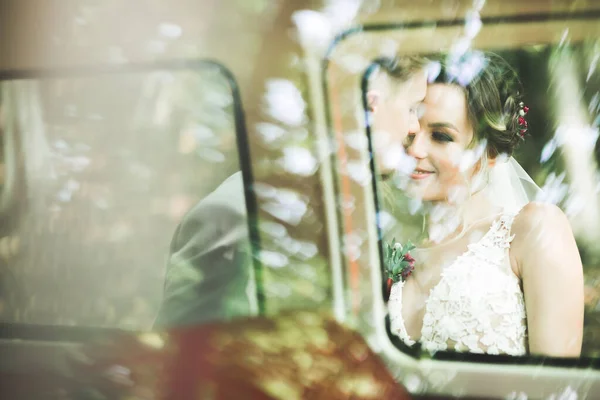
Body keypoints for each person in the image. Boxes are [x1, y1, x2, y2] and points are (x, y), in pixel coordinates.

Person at [153, 56, 429, 329]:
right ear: (371, 105)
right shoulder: (234, 212)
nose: (415, 127)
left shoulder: (368, 215)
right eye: (412, 108)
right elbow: (182, 357)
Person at [385, 51, 584, 357]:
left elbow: (558, 383)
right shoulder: (392, 254)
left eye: (440, 136)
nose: (415, 150)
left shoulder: (532, 230)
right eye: (412, 132)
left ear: (490, 152)